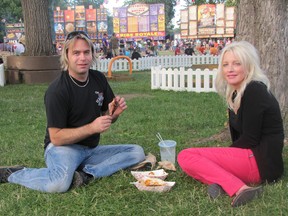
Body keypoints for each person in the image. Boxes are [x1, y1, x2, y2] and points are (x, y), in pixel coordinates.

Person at [0, 31, 145, 193]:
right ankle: (14, 173)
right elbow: (56, 137)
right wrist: (92, 128)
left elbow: (104, 119)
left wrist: (114, 115)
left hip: (90, 150)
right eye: (76, 53)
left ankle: (85, 175)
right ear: (66, 55)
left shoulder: (98, 79)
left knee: (136, 152)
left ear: (92, 54)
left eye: (86, 52)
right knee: (58, 184)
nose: (82, 58)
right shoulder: (57, 90)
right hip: (62, 149)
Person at [178, 41, 284, 207]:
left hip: (261, 162)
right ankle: (222, 183)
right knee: (197, 159)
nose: (230, 69)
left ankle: (241, 189)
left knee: (186, 156)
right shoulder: (235, 93)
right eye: (226, 64)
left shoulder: (255, 90)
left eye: (237, 63)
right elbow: (239, 138)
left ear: (248, 66)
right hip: (252, 159)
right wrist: (223, 158)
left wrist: (222, 156)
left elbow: (250, 139)